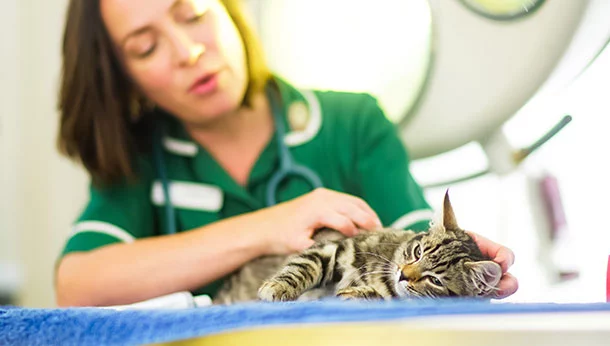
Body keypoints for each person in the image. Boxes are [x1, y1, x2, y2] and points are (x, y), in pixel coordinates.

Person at [54, 0, 518, 307]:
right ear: (121, 77)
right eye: (145, 47)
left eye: (194, 14)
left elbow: (411, 241)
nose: (188, 51)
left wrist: (458, 265)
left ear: (230, 10)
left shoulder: (352, 122)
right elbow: (78, 285)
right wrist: (268, 228)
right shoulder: (139, 156)